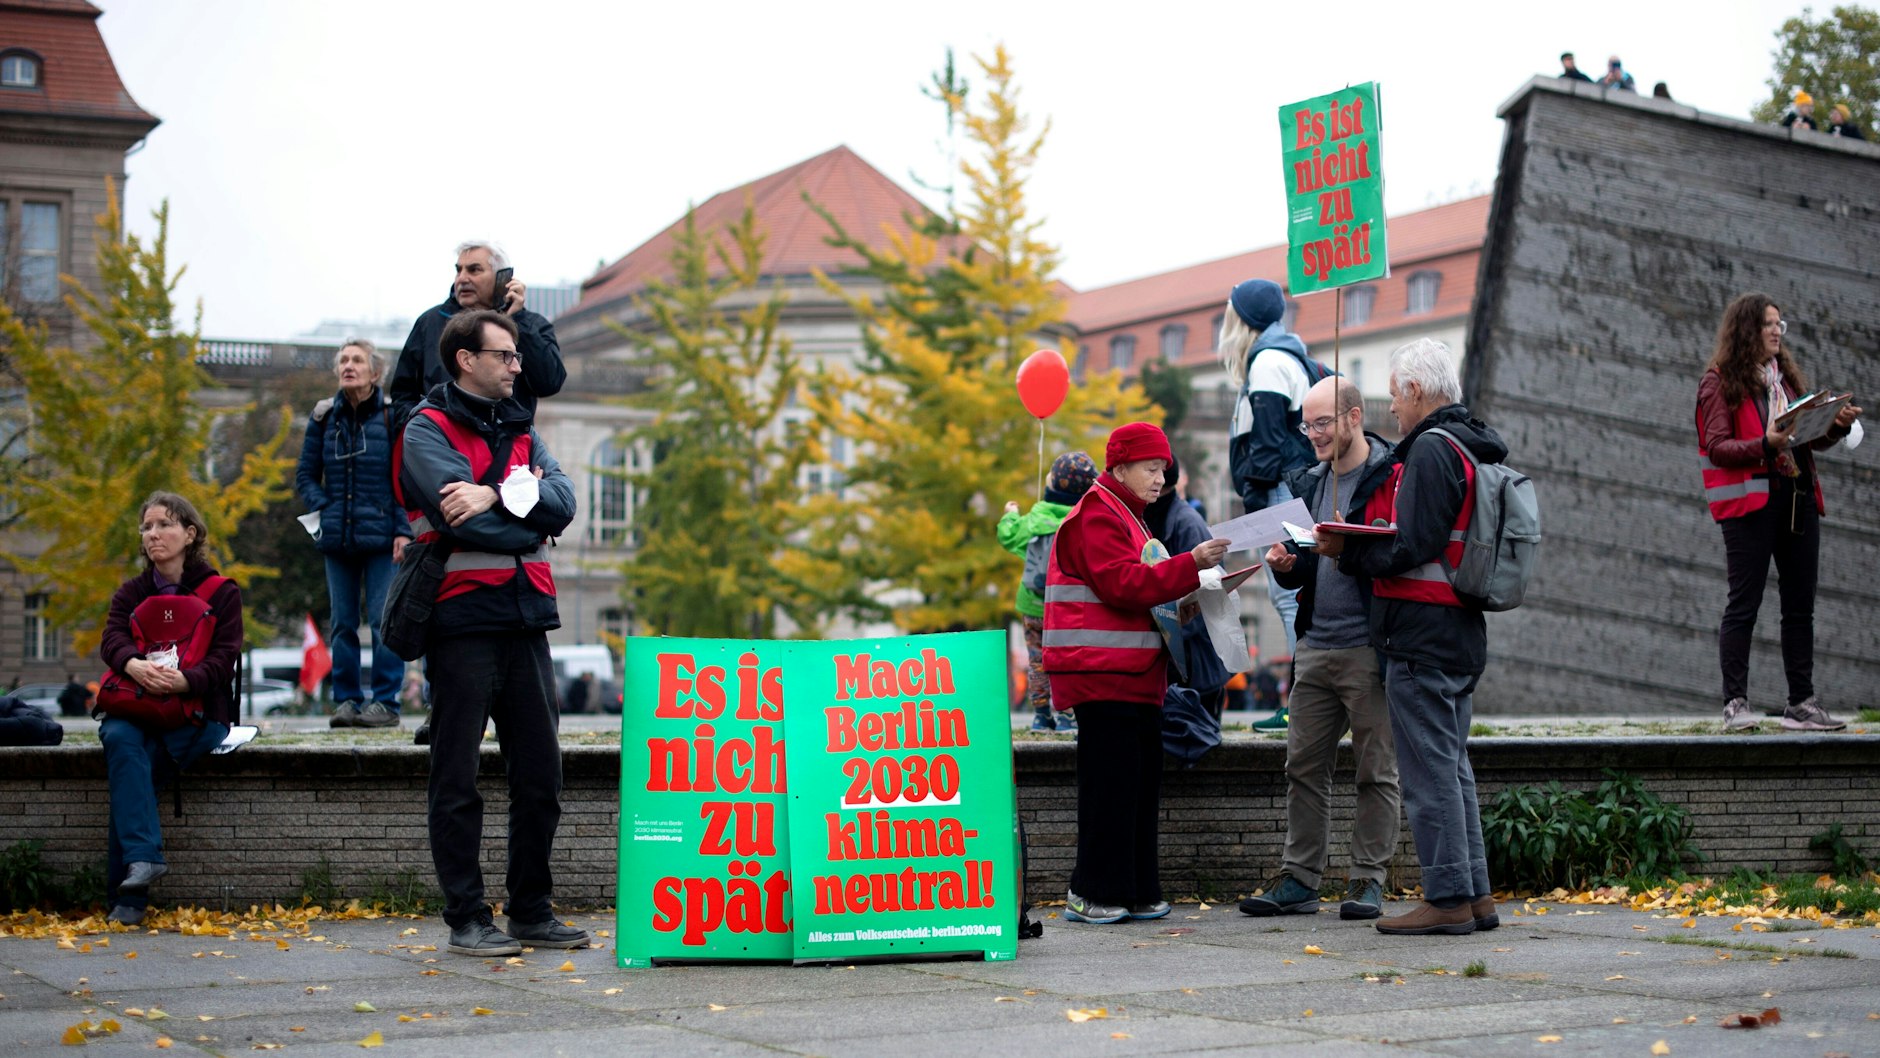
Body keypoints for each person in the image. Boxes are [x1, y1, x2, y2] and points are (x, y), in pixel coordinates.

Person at [396, 308, 583, 955]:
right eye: (504, 354)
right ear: (465, 360)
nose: (517, 364)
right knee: (455, 778)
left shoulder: (523, 427)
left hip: (526, 619)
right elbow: (462, 523)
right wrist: (524, 508)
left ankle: (531, 910)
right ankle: (466, 918)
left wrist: (496, 496)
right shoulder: (425, 429)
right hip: (462, 624)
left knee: (541, 775)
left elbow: (566, 502)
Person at [1320, 338, 1502, 936]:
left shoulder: (1429, 450)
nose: (1392, 407)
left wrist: (1349, 551)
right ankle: (1475, 895)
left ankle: (1447, 897)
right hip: (1458, 633)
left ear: (1417, 391)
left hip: (1420, 637)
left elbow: (1411, 545)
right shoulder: (1471, 446)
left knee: (1427, 775)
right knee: (1452, 768)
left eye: (1396, 393)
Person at [1043, 422, 1230, 925]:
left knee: (1139, 785)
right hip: (1103, 675)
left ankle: (1137, 888)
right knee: (1111, 785)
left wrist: (1185, 604)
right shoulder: (1096, 516)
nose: (1159, 479)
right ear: (1119, 467)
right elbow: (1122, 585)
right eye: (1150, 468)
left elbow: (1141, 593)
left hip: (1133, 675)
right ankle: (1091, 891)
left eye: (1164, 470)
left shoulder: (1127, 516)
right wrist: (1191, 564)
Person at [1240, 377, 1401, 922]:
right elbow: (1313, 566)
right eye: (1306, 424)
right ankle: (1300, 879)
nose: (1312, 435)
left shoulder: (1390, 477)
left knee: (1375, 770)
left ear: (1354, 417)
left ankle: (1368, 881)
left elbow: (1396, 555)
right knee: (1302, 767)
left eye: (1323, 422)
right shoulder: (1308, 483)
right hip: (1315, 645)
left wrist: (1348, 548)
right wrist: (1288, 568)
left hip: (1368, 647)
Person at [1697, 294, 1862, 732]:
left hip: (1797, 499)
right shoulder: (1718, 383)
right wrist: (1765, 444)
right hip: (1751, 506)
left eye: (1779, 325)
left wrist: (1834, 425)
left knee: (1799, 606)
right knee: (1744, 604)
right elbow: (1717, 447)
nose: (1776, 331)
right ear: (1747, 330)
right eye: (1769, 324)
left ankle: (1801, 705)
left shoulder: (1782, 381)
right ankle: (1735, 703)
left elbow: (1803, 442)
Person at [97, 492, 242, 926]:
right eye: (146, 527)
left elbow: (225, 658)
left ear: (190, 533)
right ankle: (142, 866)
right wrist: (134, 665)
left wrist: (184, 681)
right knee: (119, 738)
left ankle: (125, 901)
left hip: (198, 713)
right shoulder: (131, 592)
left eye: (164, 524)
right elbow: (111, 640)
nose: (153, 534)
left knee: (134, 772)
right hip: (138, 705)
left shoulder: (222, 592)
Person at [1220, 277, 1324, 730]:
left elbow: (1266, 443)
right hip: (1288, 489)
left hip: (1278, 492)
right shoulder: (1284, 356)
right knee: (1297, 595)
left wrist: (1253, 496)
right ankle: (1309, 704)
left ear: (1243, 320)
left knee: (1288, 597)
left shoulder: (1267, 363)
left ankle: (1305, 706)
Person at [297, 339, 411, 729]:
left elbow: (403, 478)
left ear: (375, 373)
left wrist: (403, 531)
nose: (349, 366)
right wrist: (323, 506)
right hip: (337, 536)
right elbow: (305, 475)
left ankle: (386, 703)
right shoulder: (323, 418)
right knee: (343, 623)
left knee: (384, 621)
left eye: (357, 360)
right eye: (343, 360)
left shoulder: (392, 417)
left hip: (383, 539)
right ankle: (345, 700)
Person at [389, 240, 567, 429]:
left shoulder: (531, 325)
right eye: (459, 270)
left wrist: (517, 319)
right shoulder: (430, 322)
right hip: (440, 445)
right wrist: (418, 428)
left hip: (503, 445)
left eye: (474, 270)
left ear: (502, 279)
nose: (462, 278)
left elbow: (550, 383)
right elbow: (403, 392)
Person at [999, 450, 1097, 733]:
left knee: (1037, 661)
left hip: (1032, 604)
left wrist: (1010, 515)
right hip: (1068, 607)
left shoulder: (1037, 516)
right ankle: (1067, 715)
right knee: (1067, 659)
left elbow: (1009, 537)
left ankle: (1041, 715)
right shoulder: (1085, 518)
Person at [1143, 453, 1232, 716]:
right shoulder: (1155, 514)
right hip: (1177, 660)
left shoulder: (1187, 525)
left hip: (1193, 667)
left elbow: (1207, 595)